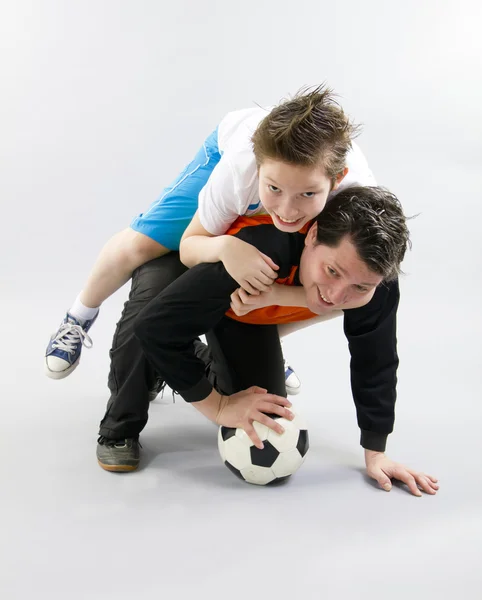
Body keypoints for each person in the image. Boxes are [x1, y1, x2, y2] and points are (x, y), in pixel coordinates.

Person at [44, 85, 375, 396]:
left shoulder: (357, 198)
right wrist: (225, 247)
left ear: (336, 182)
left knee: (345, 281)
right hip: (233, 157)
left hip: (301, 180)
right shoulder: (238, 172)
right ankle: (78, 317)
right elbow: (190, 246)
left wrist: (278, 298)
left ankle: (267, 343)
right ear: (259, 172)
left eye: (308, 193)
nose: (288, 211)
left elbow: (365, 291)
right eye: (274, 189)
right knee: (142, 246)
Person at [123, 186, 439, 497]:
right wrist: (218, 408)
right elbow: (152, 327)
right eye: (331, 270)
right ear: (312, 235)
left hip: (248, 315)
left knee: (265, 418)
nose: (336, 296)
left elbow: (377, 359)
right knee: (151, 345)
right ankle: (167, 358)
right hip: (196, 265)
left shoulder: (376, 281)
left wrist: (376, 452)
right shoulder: (261, 249)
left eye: (360, 287)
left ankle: (186, 358)